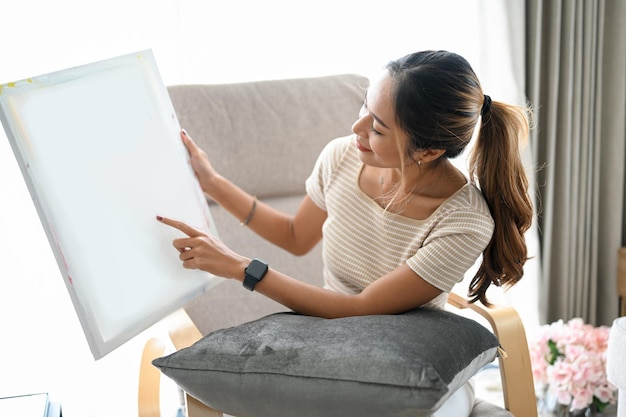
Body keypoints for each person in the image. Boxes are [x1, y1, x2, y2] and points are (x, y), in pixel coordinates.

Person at [157, 50, 534, 415]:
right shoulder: (340, 158)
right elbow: (294, 235)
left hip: (411, 372)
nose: (357, 128)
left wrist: (243, 268)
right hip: (329, 352)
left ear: (429, 151)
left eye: (378, 127)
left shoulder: (463, 221)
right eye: (365, 107)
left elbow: (362, 308)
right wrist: (213, 183)